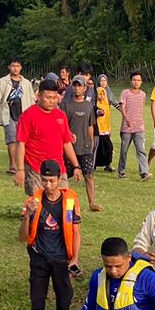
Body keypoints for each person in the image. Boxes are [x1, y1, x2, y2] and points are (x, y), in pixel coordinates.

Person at [22, 160, 83, 310]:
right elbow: (22, 236)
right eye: (45, 180)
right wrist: (26, 216)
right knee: (37, 305)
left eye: (52, 181)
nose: (48, 185)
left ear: (59, 179)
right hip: (39, 258)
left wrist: (75, 259)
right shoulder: (33, 201)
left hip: (61, 260)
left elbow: (76, 232)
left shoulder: (70, 201)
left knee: (63, 304)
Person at [14, 77, 79, 195]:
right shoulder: (28, 116)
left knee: (63, 203)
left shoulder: (61, 116)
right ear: (38, 96)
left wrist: (76, 166)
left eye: (55, 98)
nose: (52, 101)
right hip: (35, 169)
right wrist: (20, 169)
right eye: (48, 98)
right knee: (38, 206)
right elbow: (21, 143)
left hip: (58, 169)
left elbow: (66, 142)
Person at [61, 74, 101, 212]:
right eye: (75, 85)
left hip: (85, 147)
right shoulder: (65, 105)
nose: (77, 88)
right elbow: (62, 125)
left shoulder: (89, 106)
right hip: (69, 147)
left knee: (89, 175)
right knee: (64, 175)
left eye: (80, 86)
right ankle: (62, 202)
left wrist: (90, 143)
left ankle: (92, 203)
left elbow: (91, 126)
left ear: (85, 88)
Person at [0, 58, 36, 180]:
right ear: (9, 67)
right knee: (12, 140)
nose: (15, 68)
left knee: (23, 140)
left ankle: (24, 164)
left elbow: (31, 100)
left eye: (17, 66)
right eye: (13, 66)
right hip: (8, 114)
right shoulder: (3, 82)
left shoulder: (26, 83)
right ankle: (13, 165)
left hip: (24, 114)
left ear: (21, 68)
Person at [114, 71, 148, 180]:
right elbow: (122, 107)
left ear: (141, 82)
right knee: (124, 151)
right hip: (127, 127)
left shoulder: (143, 94)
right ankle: (121, 172)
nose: (136, 82)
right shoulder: (125, 93)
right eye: (134, 80)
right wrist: (127, 119)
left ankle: (144, 173)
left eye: (138, 80)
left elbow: (140, 108)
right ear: (131, 81)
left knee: (141, 150)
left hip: (139, 127)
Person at [92, 73, 118, 174]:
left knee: (108, 147)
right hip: (98, 129)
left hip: (106, 129)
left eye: (105, 81)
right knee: (97, 148)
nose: (102, 95)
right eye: (101, 81)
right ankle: (93, 165)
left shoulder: (107, 101)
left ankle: (108, 165)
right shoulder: (95, 103)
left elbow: (113, 106)